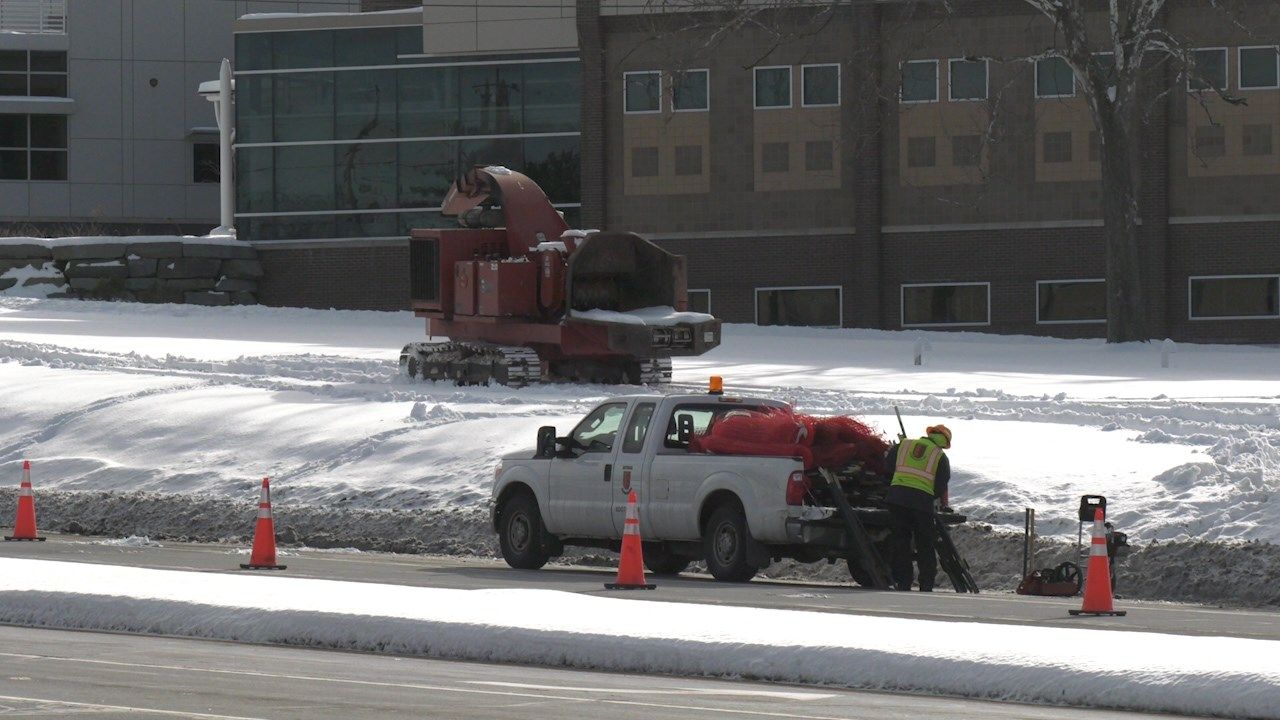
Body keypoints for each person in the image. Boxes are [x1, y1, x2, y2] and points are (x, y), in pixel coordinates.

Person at [884, 424, 952, 591]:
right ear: (944, 442)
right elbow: (942, 484)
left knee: (901, 541)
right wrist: (929, 495)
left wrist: (897, 484)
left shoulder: (904, 445)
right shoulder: (940, 456)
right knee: (925, 544)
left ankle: (903, 582)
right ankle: (926, 584)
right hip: (922, 503)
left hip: (897, 499)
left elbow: (887, 466)